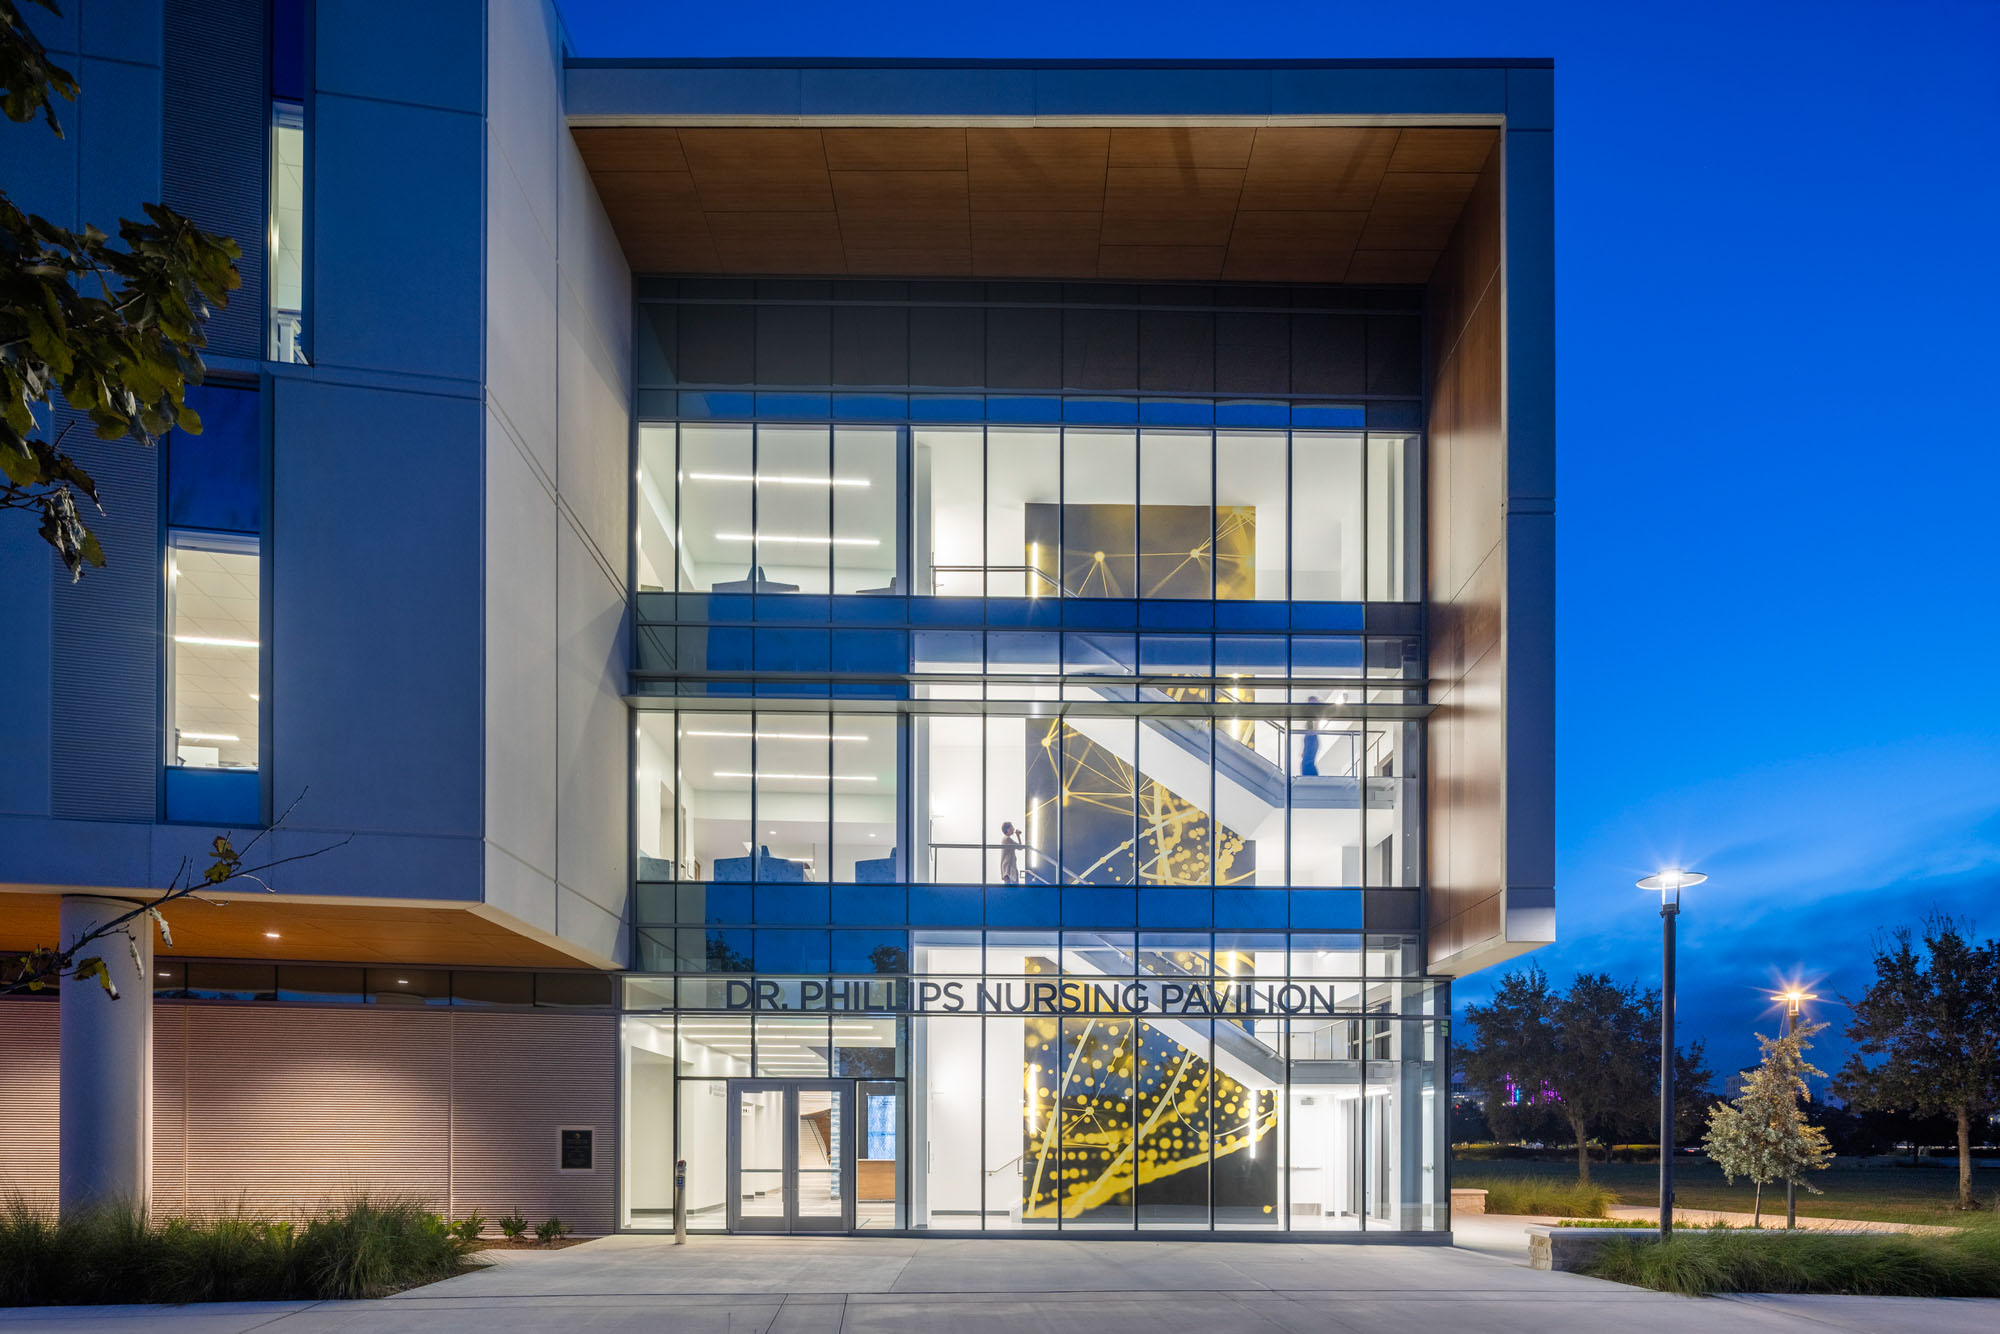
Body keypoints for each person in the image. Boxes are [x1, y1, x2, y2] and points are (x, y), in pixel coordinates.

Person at [1300, 696, 1322, 777]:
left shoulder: (1314, 714)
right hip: (1310, 738)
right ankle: (1313, 777)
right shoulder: (1309, 715)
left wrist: (1314, 731)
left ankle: (1313, 778)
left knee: (1307, 762)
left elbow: (1317, 722)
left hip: (1312, 737)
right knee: (1306, 762)